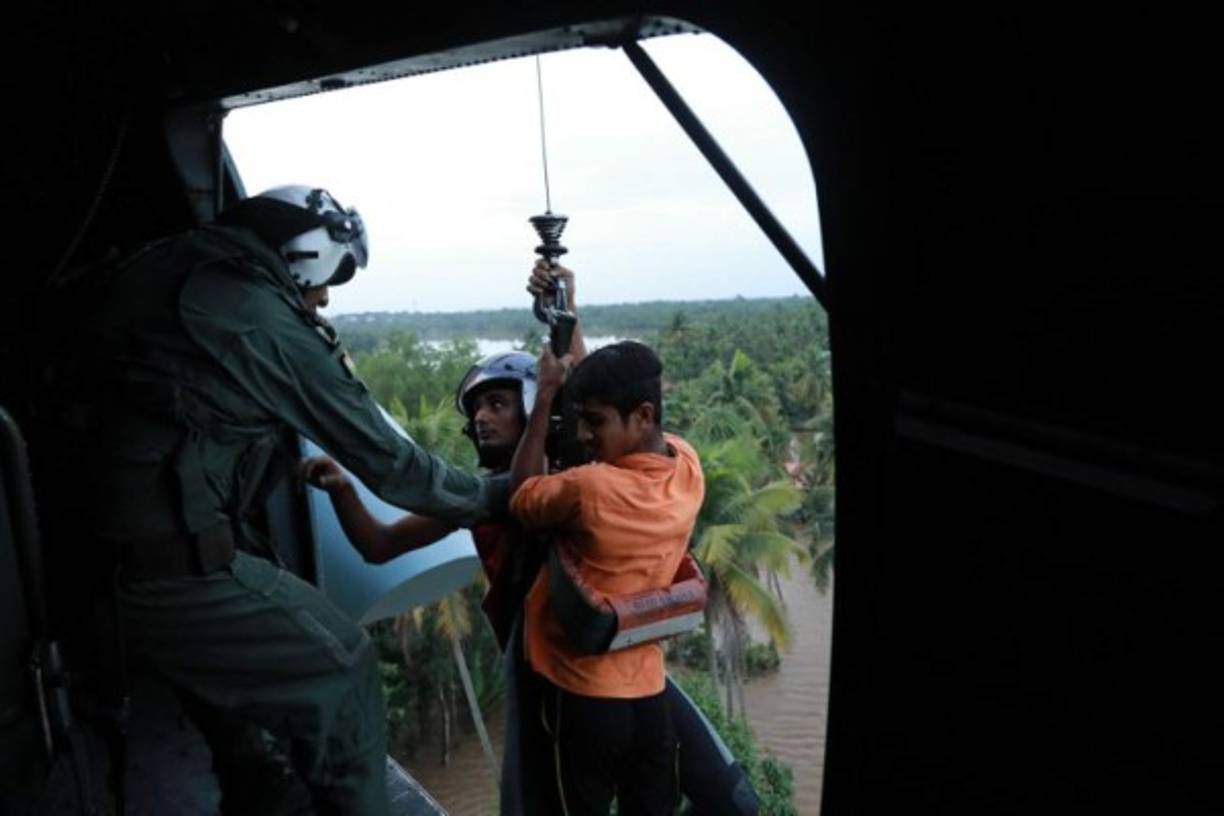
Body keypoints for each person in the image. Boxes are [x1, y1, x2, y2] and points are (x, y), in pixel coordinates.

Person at [79, 185, 508, 816]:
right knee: (344, 667)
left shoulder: (175, 272)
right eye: (331, 276)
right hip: (168, 571)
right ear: (303, 255)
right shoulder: (250, 310)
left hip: (107, 560)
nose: (327, 297)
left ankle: (260, 794)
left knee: (242, 722)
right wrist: (496, 493)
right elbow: (391, 466)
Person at [509, 340, 704, 816]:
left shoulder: (589, 487)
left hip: (583, 696)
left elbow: (521, 496)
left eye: (594, 422)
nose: (583, 435)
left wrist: (544, 403)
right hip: (649, 698)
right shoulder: (688, 468)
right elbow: (629, 401)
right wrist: (570, 314)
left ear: (642, 416)